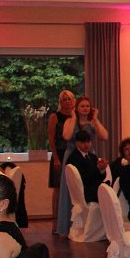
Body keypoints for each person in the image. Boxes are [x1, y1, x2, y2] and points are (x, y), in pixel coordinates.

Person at [56, 96, 108, 235]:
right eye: (82, 106)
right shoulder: (69, 120)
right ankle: (67, 227)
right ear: (77, 108)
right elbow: (67, 136)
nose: (85, 108)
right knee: (70, 190)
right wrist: (74, 117)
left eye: (87, 106)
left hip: (89, 155)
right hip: (72, 155)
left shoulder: (92, 122)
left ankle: (89, 226)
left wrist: (95, 119)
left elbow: (105, 136)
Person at [47, 90, 75, 224]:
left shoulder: (76, 116)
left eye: (69, 99)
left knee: (73, 187)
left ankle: (71, 220)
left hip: (73, 154)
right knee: (58, 188)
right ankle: (56, 221)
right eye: (64, 99)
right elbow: (51, 139)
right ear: (60, 102)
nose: (67, 102)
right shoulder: (55, 116)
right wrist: (56, 158)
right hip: (59, 154)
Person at [66, 130, 108, 204]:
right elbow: (82, 179)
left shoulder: (93, 157)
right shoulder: (73, 158)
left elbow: (99, 178)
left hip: (95, 189)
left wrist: (102, 169)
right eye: (83, 142)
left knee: (109, 188)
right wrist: (98, 168)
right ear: (77, 143)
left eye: (88, 142)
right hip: (84, 192)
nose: (86, 145)